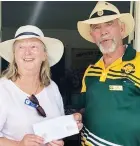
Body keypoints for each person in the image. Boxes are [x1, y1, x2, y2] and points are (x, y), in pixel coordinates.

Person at [0, 25, 82, 146]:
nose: (27, 52)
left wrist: (70, 124)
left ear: (44, 55)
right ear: (14, 56)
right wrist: (19, 144)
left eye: (33, 46)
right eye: (21, 47)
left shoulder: (52, 87)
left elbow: (56, 129)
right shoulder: (3, 89)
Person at [75, 1, 140, 146]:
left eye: (109, 24)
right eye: (96, 27)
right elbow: (86, 108)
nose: (103, 31)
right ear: (93, 36)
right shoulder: (90, 71)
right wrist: (79, 115)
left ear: (122, 29)